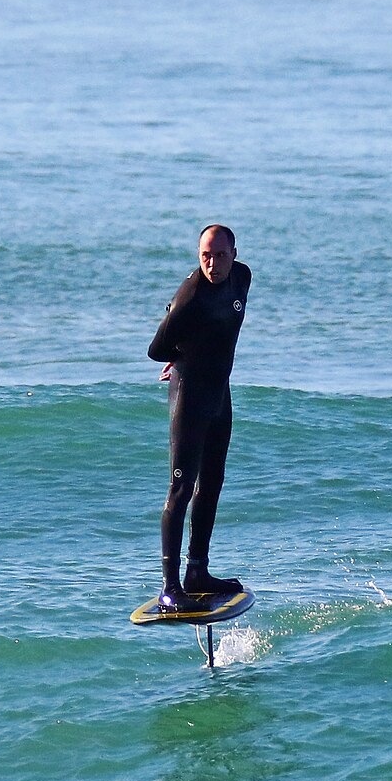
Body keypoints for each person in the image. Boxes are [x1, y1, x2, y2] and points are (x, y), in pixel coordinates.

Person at [147, 223, 252, 612]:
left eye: (220, 255)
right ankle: (170, 586)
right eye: (205, 256)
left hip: (219, 396)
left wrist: (193, 344)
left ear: (234, 254)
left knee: (210, 486)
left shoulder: (241, 279)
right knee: (180, 490)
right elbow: (157, 349)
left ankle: (198, 571)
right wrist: (183, 353)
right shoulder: (191, 295)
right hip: (190, 398)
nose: (213, 263)